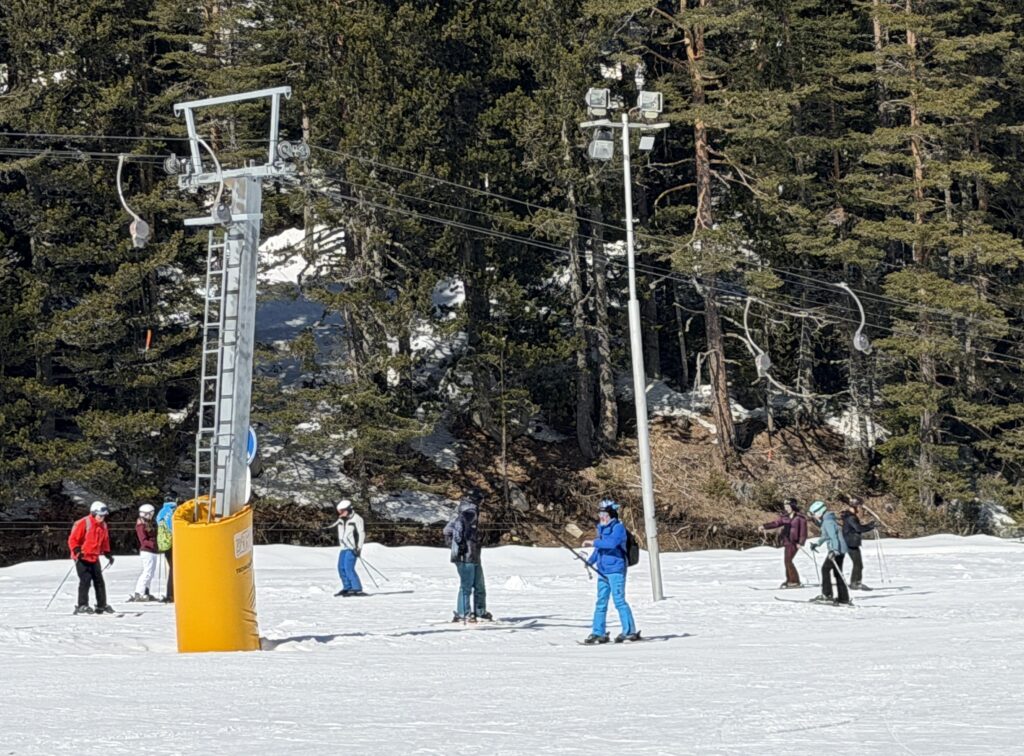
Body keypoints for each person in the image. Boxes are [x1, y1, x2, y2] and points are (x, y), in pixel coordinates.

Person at [581, 499, 640, 644]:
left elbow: (611, 543)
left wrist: (593, 541)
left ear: (611, 515)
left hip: (616, 570)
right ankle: (598, 632)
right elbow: (600, 549)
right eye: (600, 514)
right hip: (603, 570)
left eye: (604, 514)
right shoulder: (601, 528)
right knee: (601, 602)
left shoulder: (618, 528)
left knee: (619, 600)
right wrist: (590, 561)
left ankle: (629, 631)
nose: (602, 517)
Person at [443, 489, 491, 623]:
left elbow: (447, 530)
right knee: (467, 586)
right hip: (465, 557)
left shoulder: (468, 513)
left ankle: (480, 612)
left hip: (474, 555)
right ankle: (463, 613)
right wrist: (459, 545)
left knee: (479, 585)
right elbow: (455, 530)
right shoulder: (469, 513)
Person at [67, 501, 115, 614]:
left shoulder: (103, 525)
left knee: (99, 581)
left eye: (104, 516)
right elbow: (72, 539)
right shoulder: (84, 522)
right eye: (100, 515)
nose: (102, 518)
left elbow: (105, 540)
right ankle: (82, 605)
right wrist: (77, 549)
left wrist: (107, 552)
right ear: (93, 513)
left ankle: (101, 605)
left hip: (94, 556)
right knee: (85, 580)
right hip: (82, 557)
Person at [759, 498, 808, 588]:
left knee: (789, 561)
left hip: (795, 542)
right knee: (786, 561)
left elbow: (803, 532)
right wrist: (765, 526)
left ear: (793, 506)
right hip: (787, 541)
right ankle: (789, 580)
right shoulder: (785, 517)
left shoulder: (800, 518)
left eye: (788, 506)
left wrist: (801, 542)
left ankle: (795, 581)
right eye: (785, 506)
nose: (786, 508)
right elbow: (776, 523)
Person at [808, 499, 850, 605]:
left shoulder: (828, 522)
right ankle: (843, 598)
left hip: (837, 550)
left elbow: (833, 537)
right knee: (837, 573)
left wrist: (834, 550)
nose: (813, 517)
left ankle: (827, 595)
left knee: (825, 569)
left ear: (819, 512)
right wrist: (817, 544)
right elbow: (825, 536)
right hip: (840, 549)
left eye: (813, 514)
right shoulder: (827, 520)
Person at [326, 499, 366, 596]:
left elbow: (361, 533)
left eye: (342, 511)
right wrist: (324, 529)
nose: (340, 513)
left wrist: (358, 547)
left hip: (352, 548)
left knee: (348, 568)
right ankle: (347, 587)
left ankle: (356, 588)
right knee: (341, 568)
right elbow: (332, 526)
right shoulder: (341, 519)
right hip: (343, 547)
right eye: (339, 511)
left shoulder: (357, 519)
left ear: (348, 509)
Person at [841, 498, 877, 590]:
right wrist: (870, 526)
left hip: (851, 542)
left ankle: (856, 582)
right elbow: (858, 528)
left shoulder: (849, 516)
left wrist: (869, 526)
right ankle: (855, 583)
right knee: (858, 564)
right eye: (858, 506)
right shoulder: (851, 517)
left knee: (858, 564)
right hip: (851, 543)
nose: (859, 509)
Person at [130, 503, 159, 601]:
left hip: (152, 551)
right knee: (147, 572)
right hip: (147, 551)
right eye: (151, 513)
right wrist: (154, 544)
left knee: (151, 573)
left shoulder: (148, 523)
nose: (152, 515)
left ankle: (146, 591)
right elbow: (143, 540)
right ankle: (139, 593)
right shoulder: (141, 525)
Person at [156, 499, 178, 603]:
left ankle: (170, 594)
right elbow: (172, 527)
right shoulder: (172, 511)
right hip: (172, 542)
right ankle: (171, 594)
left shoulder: (161, 511)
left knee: (171, 568)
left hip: (164, 543)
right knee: (174, 569)